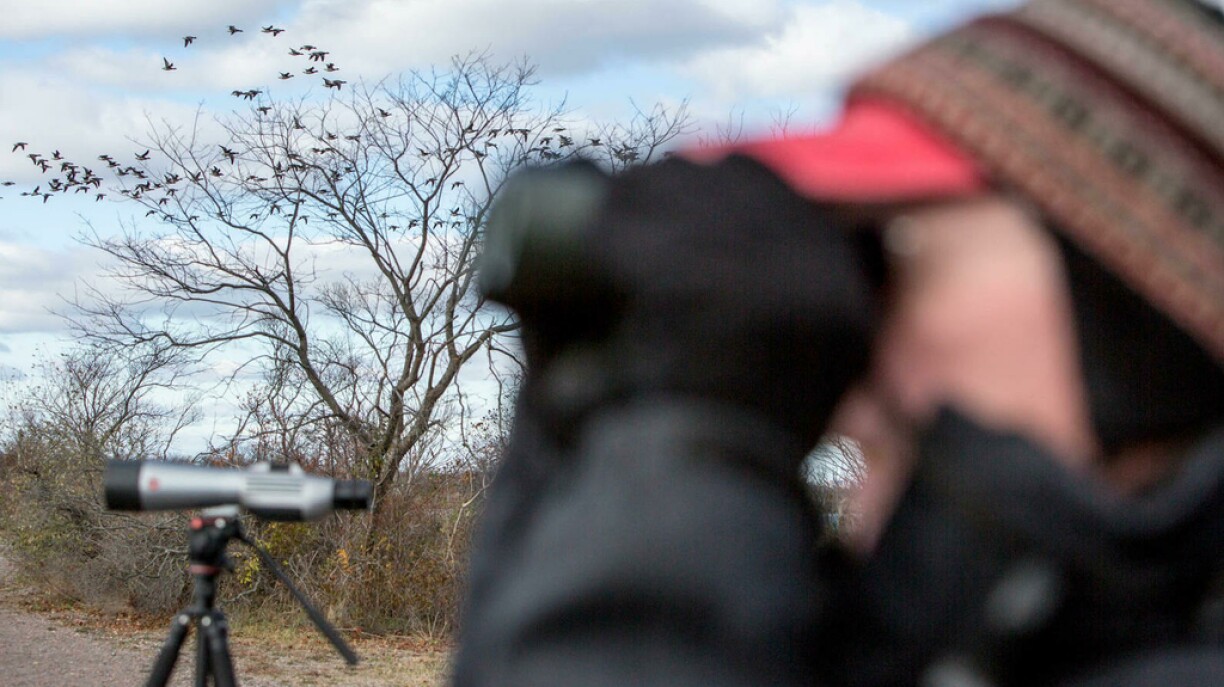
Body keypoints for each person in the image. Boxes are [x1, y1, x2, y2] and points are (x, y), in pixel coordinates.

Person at [452, 1, 1224, 685]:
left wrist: (695, 432)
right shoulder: (957, 639)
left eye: (878, 258)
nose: (844, 334)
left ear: (1131, 306)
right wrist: (577, 421)